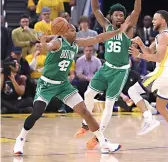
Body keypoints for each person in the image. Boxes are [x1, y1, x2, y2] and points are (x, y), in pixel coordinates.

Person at [13, 17, 131, 155]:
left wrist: (118, 31)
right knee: (37, 113)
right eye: (71, 29)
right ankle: (20, 139)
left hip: (63, 85)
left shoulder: (75, 43)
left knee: (86, 112)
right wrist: (44, 43)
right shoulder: (58, 42)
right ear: (64, 32)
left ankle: (104, 143)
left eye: (75, 29)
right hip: (47, 84)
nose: (74, 31)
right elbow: (47, 47)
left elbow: (98, 38)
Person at [74, 0, 141, 149]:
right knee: (88, 94)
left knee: (110, 103)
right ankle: (85, 124)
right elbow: (95, 8)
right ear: (111, 16)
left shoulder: (128, 28)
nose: (119, 17)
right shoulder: (106, 26)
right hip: (106, 68)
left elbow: (136, 11)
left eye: (121, 15)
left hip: (120, 71)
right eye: (116, 15)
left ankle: (99, 136)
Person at [127, 10, 168, 153]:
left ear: (163, 21)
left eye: (155, 19)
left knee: (132, 90)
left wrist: (139, 55)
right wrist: (141, 44)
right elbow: (149, 51)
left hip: (163, 72)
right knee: (161, 107)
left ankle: (149, 119)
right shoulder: (161, 36)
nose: (153, 21)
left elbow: (158, 58)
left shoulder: (164, 35)